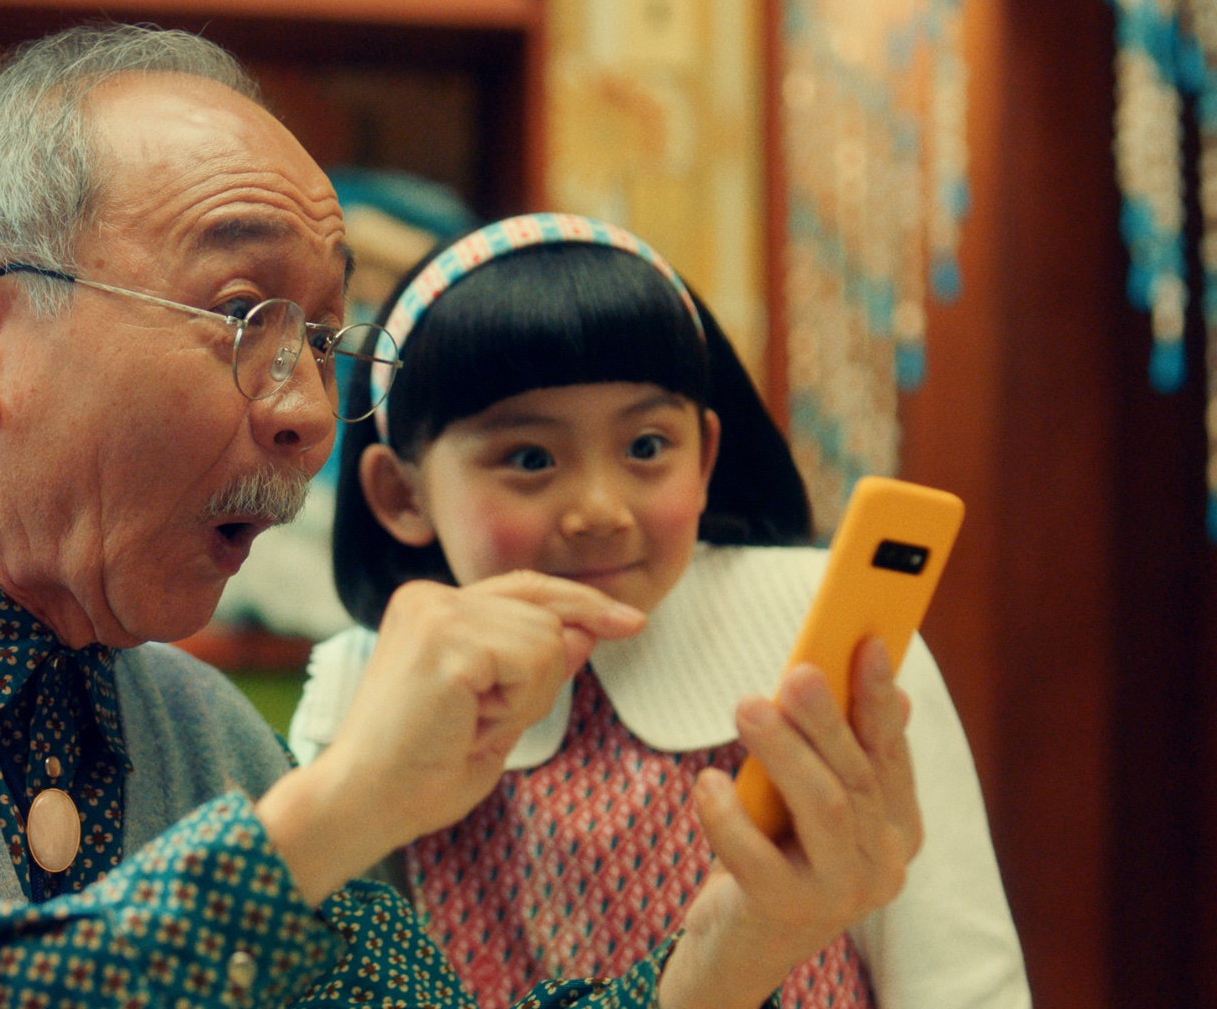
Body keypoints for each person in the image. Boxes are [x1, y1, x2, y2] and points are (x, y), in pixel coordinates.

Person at [0, 26, 923, 1009]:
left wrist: (748, 938)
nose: (306, 411)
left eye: (323, 339)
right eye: (243, 317)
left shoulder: (209, 736)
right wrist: (335, 812)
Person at [288, 213, 1029, 1009]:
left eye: (646, 447)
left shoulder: (823, 630)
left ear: (705, 456)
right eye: (530, 458)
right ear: (401, 494)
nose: (601, 510)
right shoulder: (366, 688)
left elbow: (960, 977)